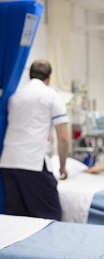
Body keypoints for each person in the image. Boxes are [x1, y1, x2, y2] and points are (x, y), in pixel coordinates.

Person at [0, 59, 69, 221]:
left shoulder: (14, 96)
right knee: (50, 217)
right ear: (49, 77)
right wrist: (63, 166)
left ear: (30, 75)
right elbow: (64, 137)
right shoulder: (51, 95)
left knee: (16, 221)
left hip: (9, 163)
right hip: (33, 163)